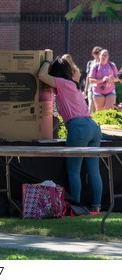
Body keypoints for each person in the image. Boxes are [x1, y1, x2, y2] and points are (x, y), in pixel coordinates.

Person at [38, 49, 103, 212]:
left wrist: (46, 61)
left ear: (57, 73)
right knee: (94, 170)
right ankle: (97, 206)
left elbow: (42, 76)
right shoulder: (73, 86)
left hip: (78, 127)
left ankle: (76, 207)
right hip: (93, 127)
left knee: (74, 171)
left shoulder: (62, 83)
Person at [83, 46, 102, 113]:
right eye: (96, 54)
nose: (97, 56)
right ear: (93, 54)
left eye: (99, 54)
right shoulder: (90, 63)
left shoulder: (104, 64)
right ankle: (89, 120)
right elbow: (88, 76)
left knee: (99, 106)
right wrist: (85, 89)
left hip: (101, 88)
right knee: (91, 105)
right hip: (91, 87)